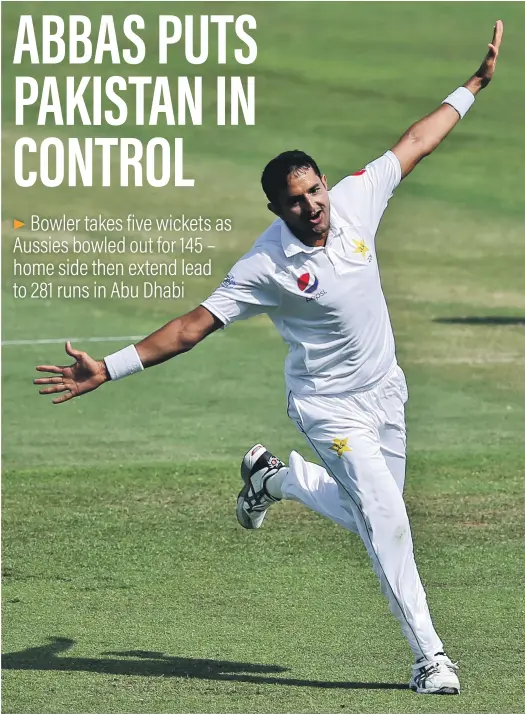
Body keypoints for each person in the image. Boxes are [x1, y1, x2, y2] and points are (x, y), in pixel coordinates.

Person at [35, 22, 503, 695]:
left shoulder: (353, 201)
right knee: (388, 520)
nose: (312, 206)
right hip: (327, 408)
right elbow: (192, 327)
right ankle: (430, 657)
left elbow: (415, 143)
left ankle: (272, 480)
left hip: (384, 394)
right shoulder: (264, 265)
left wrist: (472, 87)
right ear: (275, 208)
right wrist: (109, 366)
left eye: (314, 191)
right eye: (295, 200)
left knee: (372, 513)